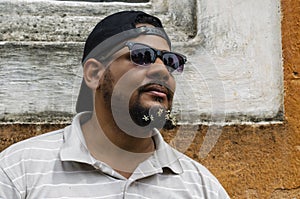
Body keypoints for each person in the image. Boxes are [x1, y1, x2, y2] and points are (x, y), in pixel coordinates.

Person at [0, 11, 230, 198]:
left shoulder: (201, 187)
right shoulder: (20, 170)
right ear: (94, 74)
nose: (162, 71)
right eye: (141, 56)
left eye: (170, 62)